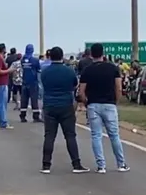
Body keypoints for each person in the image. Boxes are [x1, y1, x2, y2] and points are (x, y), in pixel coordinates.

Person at [78, 43, 130, 174]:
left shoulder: (87, 70)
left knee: (96, 135)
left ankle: (101, 166)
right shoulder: (112, 68)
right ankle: (121, 163)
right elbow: (118, 87)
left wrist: (86, 102)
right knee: (114, 135)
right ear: (103, 53)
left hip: (93, 105)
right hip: (109, 104)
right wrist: (115, 101)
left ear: (91, 55)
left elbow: (81, 91)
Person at [40, 46, 89, 174]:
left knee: (49, 136)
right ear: (62, 56)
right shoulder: (69, 71)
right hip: (66, 105)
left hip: (50, 105)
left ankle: (46, 165)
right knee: (70, 135)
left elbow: (43, 85)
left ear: (50, 56)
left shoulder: (45, 71)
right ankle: (76, 164)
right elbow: (74, 85)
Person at [20, 44, 42, 122]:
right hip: (33, 82)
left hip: (24, 82)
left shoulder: (22, 60)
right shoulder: (35, 60)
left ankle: (22, 116)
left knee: (24, 100)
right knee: (34, 100)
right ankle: (35, 117)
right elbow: (39, 70)